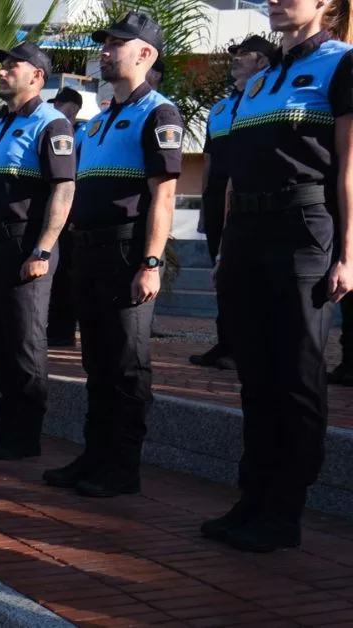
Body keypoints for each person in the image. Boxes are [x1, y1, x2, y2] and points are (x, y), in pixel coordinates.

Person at [203, 0, 353, 553]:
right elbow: (236, 175)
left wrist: (349, 254)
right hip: (248, 231)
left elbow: (350, 166)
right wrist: (225, 250)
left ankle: (284, 508)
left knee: (296, 373)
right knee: (256, 374)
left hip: (304, 226)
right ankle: (253, 496)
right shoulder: (259, 81)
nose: (274, 0)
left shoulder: (343, 63)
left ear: (326, 5)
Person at [42, 12, 182, 498]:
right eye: (105, 43)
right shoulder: (97, 122)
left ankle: (122, 465)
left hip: (127, 251)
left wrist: (150, 263)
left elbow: (162, 198)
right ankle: (94, 454)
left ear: (145, 54)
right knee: (96, 361)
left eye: (117, 44)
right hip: (90, 251)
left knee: (126, 363)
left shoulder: (158, 113)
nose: (105, 51)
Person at [0, 42, 76, 461]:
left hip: (25, 244)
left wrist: (43, 250)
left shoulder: (51, 123)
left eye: (13, 66)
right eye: (3, 66)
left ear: (38, 77)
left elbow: (63, 189)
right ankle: (6, 422)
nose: (3, 72)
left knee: (25, 341)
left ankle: (26, 434)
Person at [190, 36, 276, 373]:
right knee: (221, 274)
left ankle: (248, 346)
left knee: (246, 275)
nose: (236, 59)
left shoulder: (265, 101)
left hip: (248, 197)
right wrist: (203, 204)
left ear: (263, 62)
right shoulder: (221, 107)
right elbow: (209, 158)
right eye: (235, 54)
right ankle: (227, 343)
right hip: (216, 198)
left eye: (245, 54)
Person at [46, 87, 85, 348]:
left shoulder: (82, 133)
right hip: (56, 213)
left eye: (60, 103)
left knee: (66, 276)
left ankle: (63, 330)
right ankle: (54, 326)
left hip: (73, 215)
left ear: (73, 106)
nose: (56, 107)